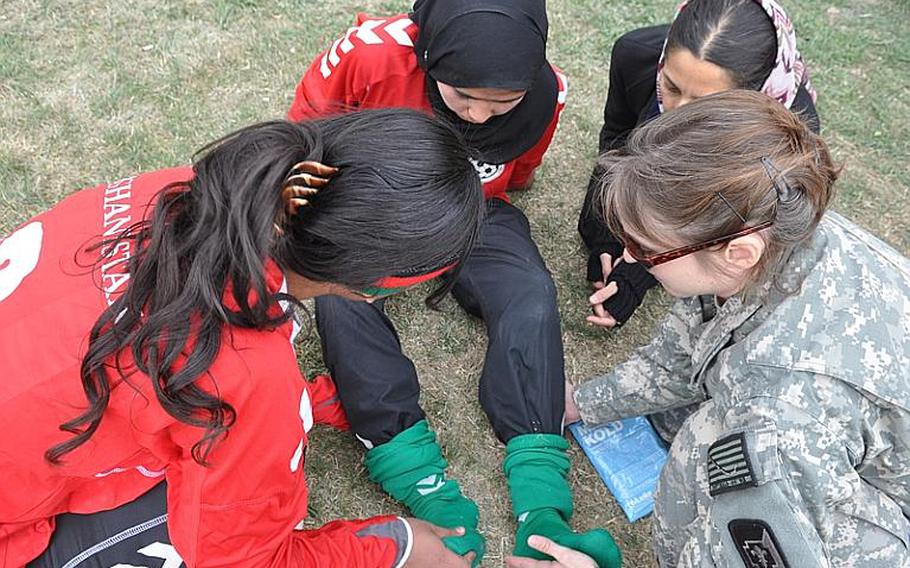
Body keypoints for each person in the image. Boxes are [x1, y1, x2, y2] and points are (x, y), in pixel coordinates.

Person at [0, 108, 489, 567]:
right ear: (372, 288)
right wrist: (394, 546)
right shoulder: (250, 377)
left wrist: (299, 403)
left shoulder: (180, 190)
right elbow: (237, 558)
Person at [287, 2, 619, 567]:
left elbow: (523, 170)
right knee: (340, 292)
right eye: (463, 97)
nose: (483, 118)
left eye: (504, 104)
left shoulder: (548, 91)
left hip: (477, 210)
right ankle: (415, 473)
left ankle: (541, 494)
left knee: (530, 291)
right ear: (430, 53)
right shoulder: (371, 55)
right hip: (380, 210)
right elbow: (304, 140)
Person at [564, 90, 910, 567]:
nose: (628, 257)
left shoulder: (781, 415)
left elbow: (768, 549)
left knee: (718, 450)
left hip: (883, 515)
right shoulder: (769, 224)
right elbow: (693, 341)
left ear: (738, 253)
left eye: (645, 249)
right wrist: (584, 402)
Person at [578, 0, 820, 329]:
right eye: (672, 87)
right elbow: (618, 139)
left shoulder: (786, 139)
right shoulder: (633, 56)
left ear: (753, 97)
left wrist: (638, 271)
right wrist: (606, 231)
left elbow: (723, 219)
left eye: (707, 103)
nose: (678, 112)